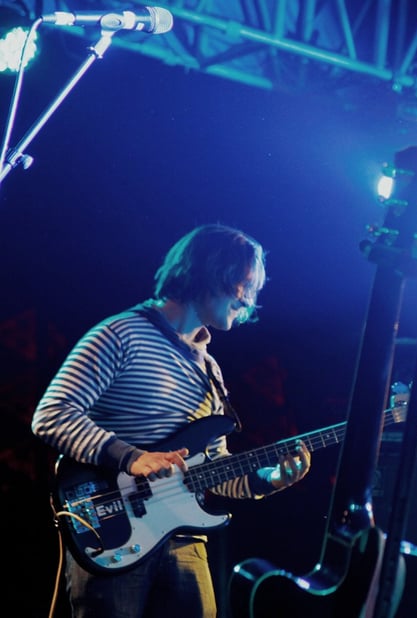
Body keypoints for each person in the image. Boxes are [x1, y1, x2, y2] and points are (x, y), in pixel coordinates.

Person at [32, 223, 312, 618]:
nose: (249, 298)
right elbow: (52, 414)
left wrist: (269, 479)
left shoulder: (210, 370)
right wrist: (132, 457)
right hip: (113, 527)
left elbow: (213, 467)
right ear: (211, 271)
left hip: (183, 536)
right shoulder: (120, 334)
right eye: (245, 284)